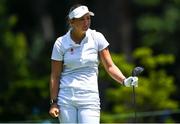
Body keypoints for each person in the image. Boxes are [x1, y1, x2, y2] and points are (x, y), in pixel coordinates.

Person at [49, 4, 138, 124]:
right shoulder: (60, 43)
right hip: (66, 99)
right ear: (72, 22)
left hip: (89, 98)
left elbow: (110, 66)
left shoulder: (97, 38)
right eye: (82, 19)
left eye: (88, 18)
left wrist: (124, 80)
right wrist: (54, 102)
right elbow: (55, 75)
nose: (86, 22)